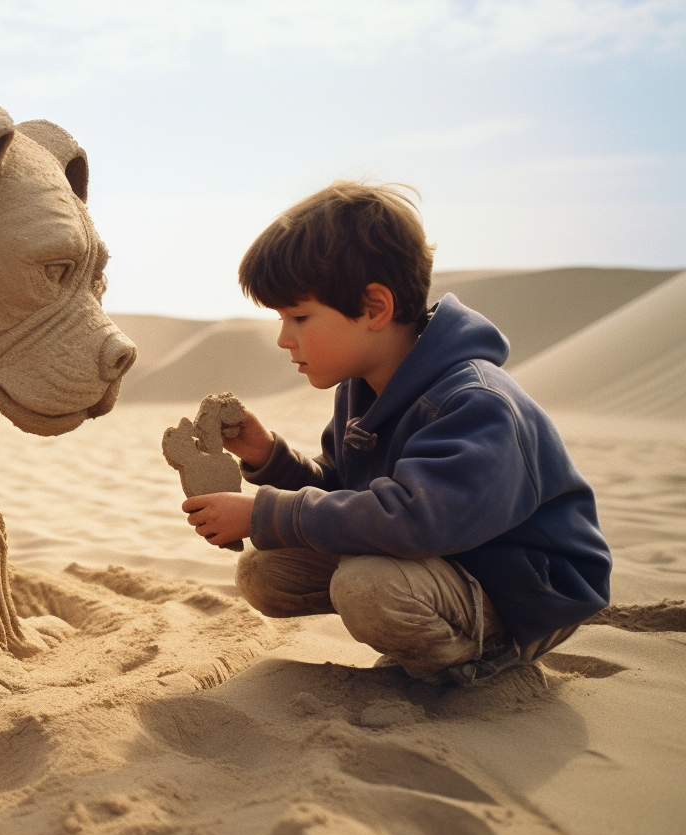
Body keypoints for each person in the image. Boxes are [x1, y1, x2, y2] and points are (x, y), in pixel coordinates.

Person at [181, 181, 611, 684]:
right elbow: (345, 498)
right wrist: (267, 457)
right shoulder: (362, 390)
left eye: (299, 316)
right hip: (444, 560)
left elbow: (414, 520)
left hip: (524, 590)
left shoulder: (474, 402)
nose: (283, 338)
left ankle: (486, 657)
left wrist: (264, 511)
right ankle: (440, 631)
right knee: (265, 570)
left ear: (375, 308)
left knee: (367, 587)